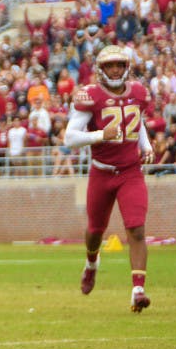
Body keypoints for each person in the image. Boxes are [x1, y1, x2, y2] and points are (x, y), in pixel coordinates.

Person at [65, 45, 155, 313]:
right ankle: (92, 263)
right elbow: (69, 138)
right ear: (100, 69)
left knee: (137, 229)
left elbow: (136, 122)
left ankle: (138, 290)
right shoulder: (90, 95)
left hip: (130, 171)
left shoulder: (138, 92)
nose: (115, 70)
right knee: (95, 231)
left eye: (118, 65)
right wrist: (100, 135)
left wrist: (145, 145)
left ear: (126, 67)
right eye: (109, 66)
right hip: (101, 172)